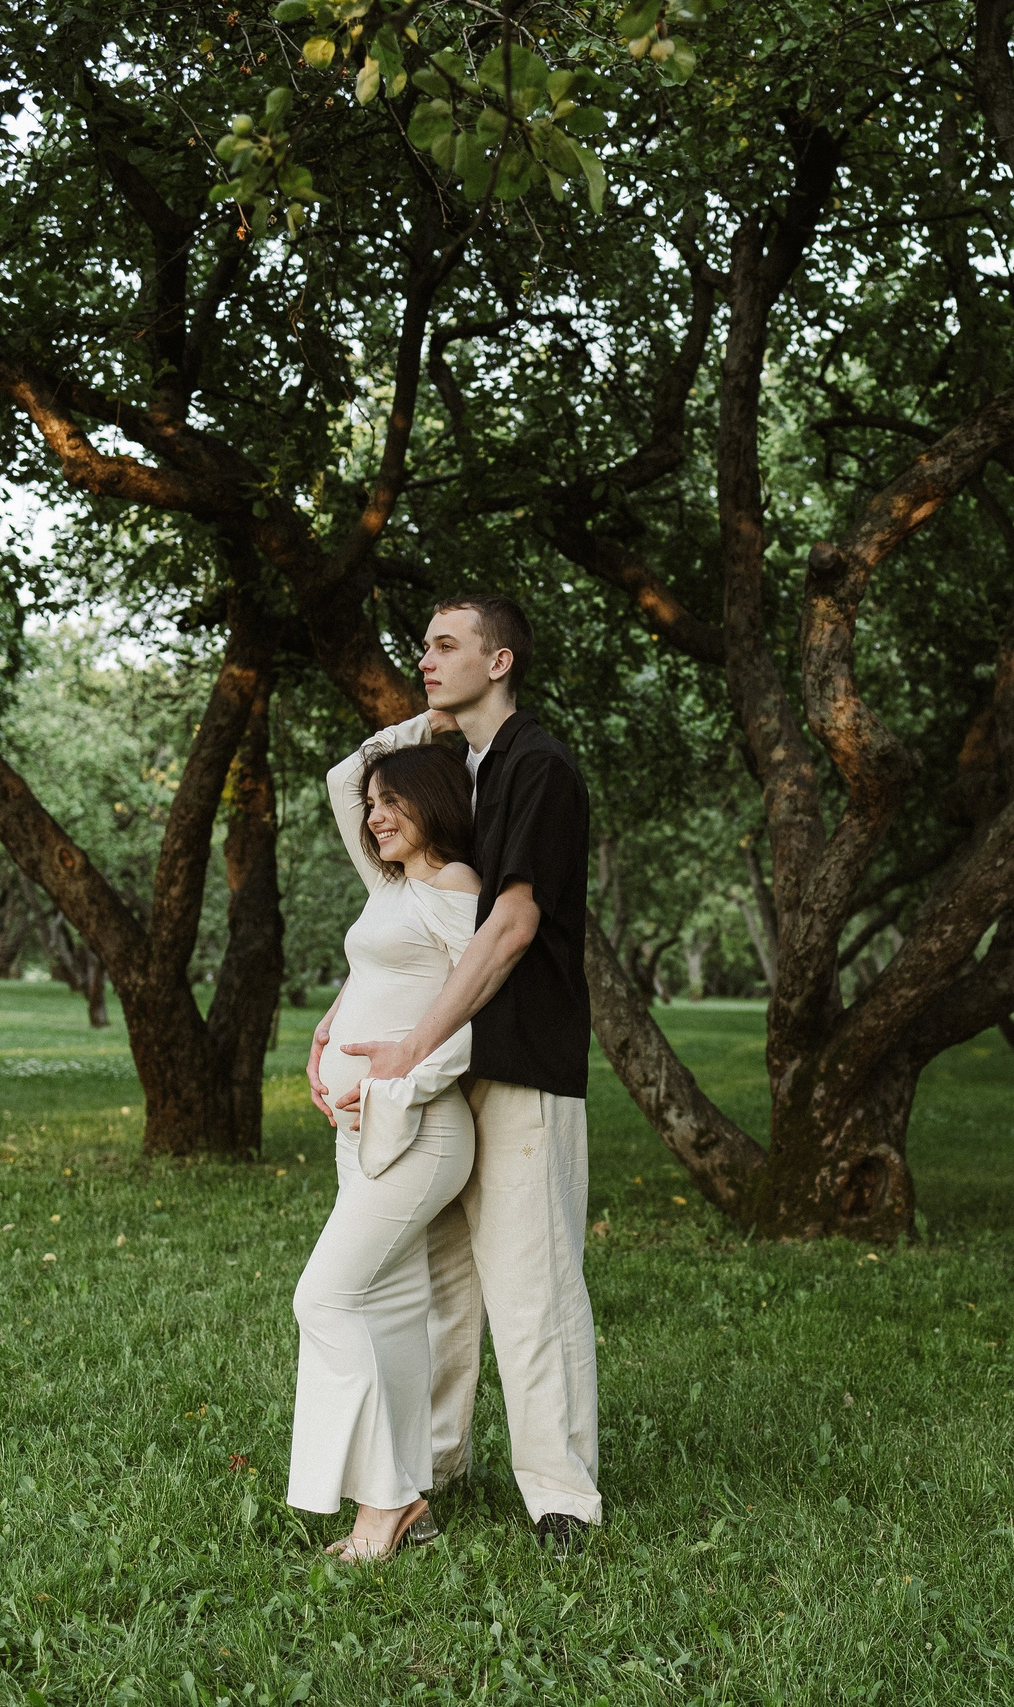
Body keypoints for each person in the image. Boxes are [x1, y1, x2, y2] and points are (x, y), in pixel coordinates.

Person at [338, 593, 601, 1555]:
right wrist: (426, 726)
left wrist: (412, 1047)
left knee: (530, 1285)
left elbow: (515, 924)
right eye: (423, 643)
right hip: (458, 1071)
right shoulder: (469, 769)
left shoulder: (537, 764)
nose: (426, 657)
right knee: (440, 1285)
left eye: (446, 645)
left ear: (501, 661)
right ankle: (429, 1472)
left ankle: (561, 1498)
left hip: (523, 1062)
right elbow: (350, 786)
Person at [286, 728, 482, 1562]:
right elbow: (338, 777)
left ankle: (390, 1501)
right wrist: (335, 1027)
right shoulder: (392, 883)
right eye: (373, 808)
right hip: (362, 1129)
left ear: (432, 800)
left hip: (418, 1132)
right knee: (394, 1315)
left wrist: (394, 1082)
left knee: (324, 1299)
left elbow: (480, 1020)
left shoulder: (458, 890)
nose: (372, 818)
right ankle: (410, 1502)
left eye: (391, 802)